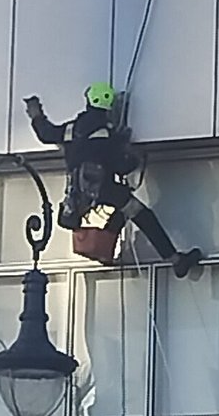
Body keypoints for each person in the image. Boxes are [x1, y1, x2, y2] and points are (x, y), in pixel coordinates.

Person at [24, 83, 202, 274]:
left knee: (122, 213)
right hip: (105, 188)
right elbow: (121, 167)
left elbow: (46, 134)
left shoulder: (72, 128)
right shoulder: (106, 134)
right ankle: (175, 259)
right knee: (140, 214)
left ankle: (104, 250)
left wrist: (36, 114)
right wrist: (134, 157)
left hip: (78, 191)